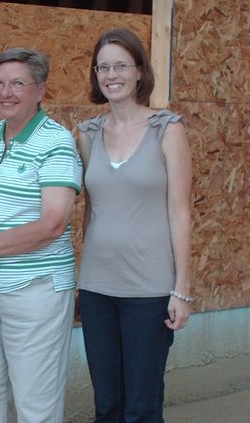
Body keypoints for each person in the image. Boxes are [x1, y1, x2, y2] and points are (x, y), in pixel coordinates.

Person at [76, 28, 193, 423]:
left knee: (141, 409)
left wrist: (183, 289)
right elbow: (91, 210)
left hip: (149, 290)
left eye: (121, 65)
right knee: (107, 406)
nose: (112, 75)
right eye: (103, 67)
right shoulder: (88, 134)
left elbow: (180, 212)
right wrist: (79, 278)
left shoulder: (167, 129)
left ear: (140, 72)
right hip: (96, 289)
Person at [0, 48, 82, 423]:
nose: (5, 93)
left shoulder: (57, 142)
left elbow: (52, 224)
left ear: (40, 90)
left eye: (17, 84)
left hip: (36, 289)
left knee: (36, 405)